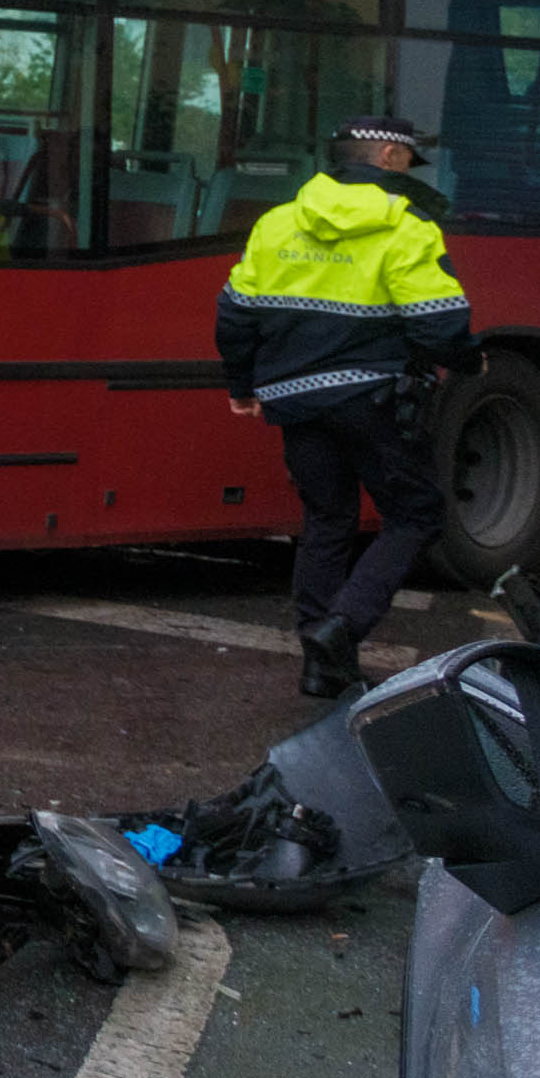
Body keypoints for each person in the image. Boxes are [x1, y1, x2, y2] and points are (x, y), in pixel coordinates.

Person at [218, 113, 474, 698]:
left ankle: (320, 662)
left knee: (327, 520)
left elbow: (234, 314)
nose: (413, 169)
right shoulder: (410, 227)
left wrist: (242, 385)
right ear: (387, 156)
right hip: (374, 396)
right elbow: (440, 326)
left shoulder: (277, 222)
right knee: (414, 515)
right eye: (409, 158)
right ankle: (342, 628)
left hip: (294, 398)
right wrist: (467, 358)